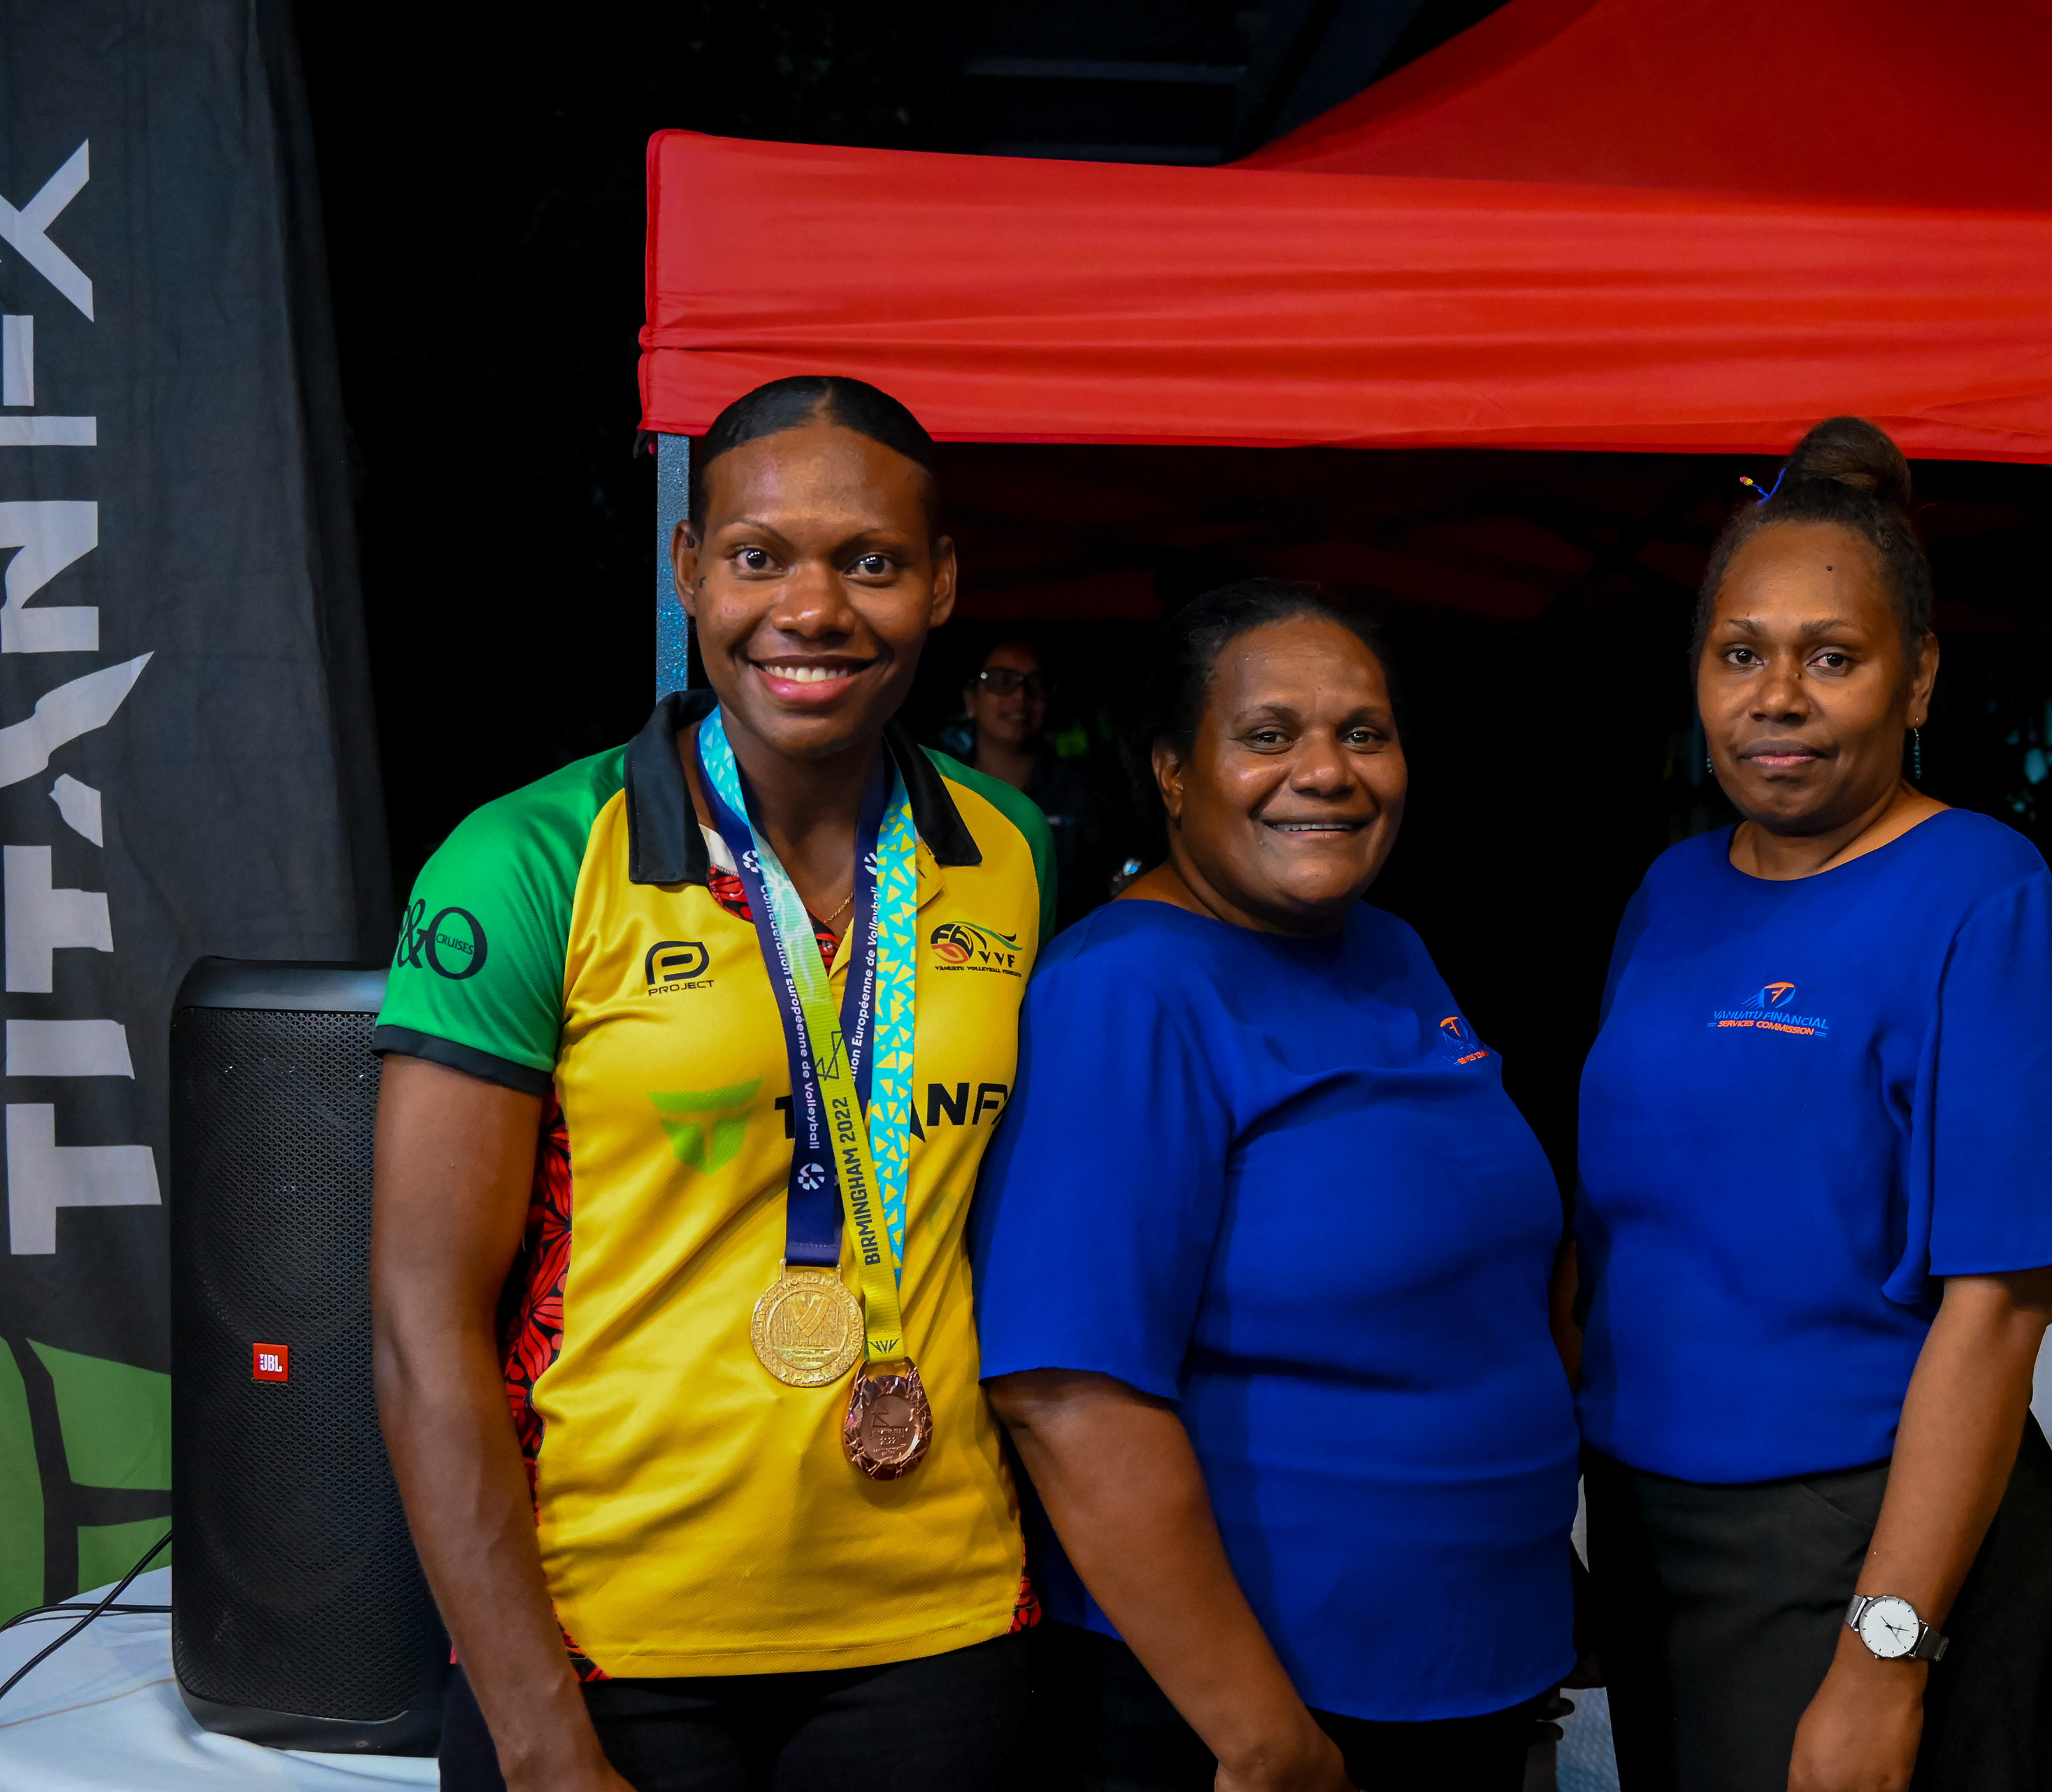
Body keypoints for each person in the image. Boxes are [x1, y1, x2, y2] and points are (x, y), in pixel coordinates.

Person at [369, 375, 1057, 1792]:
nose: (811, 609)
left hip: (939, 1626)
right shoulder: (530, 862)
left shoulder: (1010, 851)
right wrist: (541, 1738)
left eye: (869, 561)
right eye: (760, 557)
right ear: (690, 572)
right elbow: (418, 1324)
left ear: (939, 583)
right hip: (610, 1643)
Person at [1572, 417, 2052, 1792]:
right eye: (1741, 652)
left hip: (1868, 1543)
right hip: (1657, 1535)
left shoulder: (1983, 899)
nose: (1780, 696)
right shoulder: (1674, 892)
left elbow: (1999, 1313)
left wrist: (1885, 1654)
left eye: (1834, 656)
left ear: (1918, 675)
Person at [969, 580, 1580, 1792]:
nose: (1328, 770)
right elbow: (1069, 1393)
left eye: (1364, 731)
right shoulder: (1128, 989)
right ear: (1174, 772)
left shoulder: (1390, 950)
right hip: (1261, 1715)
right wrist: (1260, 1734)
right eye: (1267, 735)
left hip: (1467, 1674)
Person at [960, 638, 1119, 923]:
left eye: (1036, 684)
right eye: (1001, 681)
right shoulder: (940, 790)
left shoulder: (1083, 795)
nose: (1020, 696)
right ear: (971, 700)